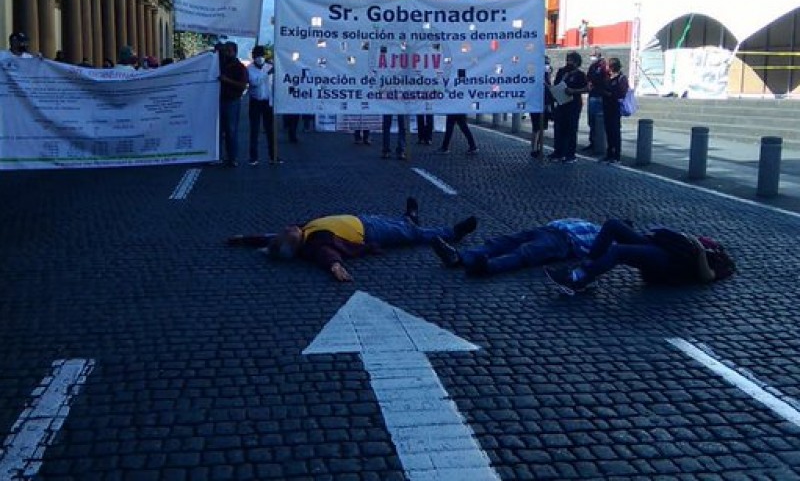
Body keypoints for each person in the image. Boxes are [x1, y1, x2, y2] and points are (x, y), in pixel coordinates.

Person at [227, 197, 478, 282]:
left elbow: (267, 237)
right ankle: (453, 233)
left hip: (363, 219)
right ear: (293, 245)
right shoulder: (315, 243)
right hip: (369, 233)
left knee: (400, 224)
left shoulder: (300, 231)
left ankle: (409, 215)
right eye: (287, 233)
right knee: (412, 235)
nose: (286, 228)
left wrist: (243, 238)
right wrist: (336, 268)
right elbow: (328, 257)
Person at [545, 219, 736, 296]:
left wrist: (702, 251)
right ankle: (588, 266)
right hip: (658, 245)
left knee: (619, 251)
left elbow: (707, 277)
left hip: (668, 261)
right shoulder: (716, 247)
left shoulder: (721, 263)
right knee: (612, 225)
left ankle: (579, 278)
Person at [431, 218, 600, 277]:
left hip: (563, 241)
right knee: (502, 242)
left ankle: (487, 266)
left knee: (524, 253)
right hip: (548, 229)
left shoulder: (607, 239)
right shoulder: (592, 225)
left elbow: (593, 253)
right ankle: (460, 257)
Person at [548, 51, 587, 163]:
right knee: (559, 128)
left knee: (571, 129)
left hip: (573, 105)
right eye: (567, 59)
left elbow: (587, 89)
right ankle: (558, 152)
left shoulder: (580, 75)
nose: (568, 62)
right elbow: (556, 85)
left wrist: (574, 91)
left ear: (576, 62)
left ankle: (570, 154)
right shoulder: (562, 71)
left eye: (571, 60)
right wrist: (563, 79)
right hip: (561, 103)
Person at [246, 45, 282, 165]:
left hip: (268, 102)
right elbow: (254, 83)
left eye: (261, 55)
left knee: (271, 130)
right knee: (254, 130)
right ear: (253, 57)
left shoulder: (270, 67)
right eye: (257, 56)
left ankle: (274, 156)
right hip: (255, 102)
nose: (259, 58)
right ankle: (253, 157)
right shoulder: (249, 69)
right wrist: (267, 74)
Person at [218, 40, 248, 167]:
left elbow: (242, 85)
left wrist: (227, 80)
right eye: (225, 51)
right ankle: (217, 156)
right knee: (217, 130)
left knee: (231, 130)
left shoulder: (240, 67)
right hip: (219, 101)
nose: (227, 53)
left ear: (235, 52)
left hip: (232, 101)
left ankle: (232, 157)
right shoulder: (220, 64)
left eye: (229, 51)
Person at [597, 57, 629, 163]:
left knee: (615, 132)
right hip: (606, 107)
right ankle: (609, 153)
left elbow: (622, 94)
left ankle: (616, 156)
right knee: (608, 131)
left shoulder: (621, 78)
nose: (607, 68)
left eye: (609, 66)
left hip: (615, 108)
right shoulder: (608, 77)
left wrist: (609, 94)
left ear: (613, 67)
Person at [582, 47, 608, 153]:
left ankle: (598, 143)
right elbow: (588, 77)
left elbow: (602, 79)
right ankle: (592, 142)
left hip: (598, 95)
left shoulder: (602, 65)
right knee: (591, 120)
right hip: (592, 94)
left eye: (593, 54)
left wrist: (593, 81)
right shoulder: (593, 66)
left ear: (598, 54)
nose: (591, 57)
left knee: (597, 121)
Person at [530, 56, 554, 158]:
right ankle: (534, 149)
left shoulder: (547, 76)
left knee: (542, 128)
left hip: (545, 104)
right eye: (545, 63)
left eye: (548, 63)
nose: (547, 66)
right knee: (537, 128)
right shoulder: (537, 76)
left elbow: (550, 91)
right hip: (536, 104)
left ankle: (538, 148)